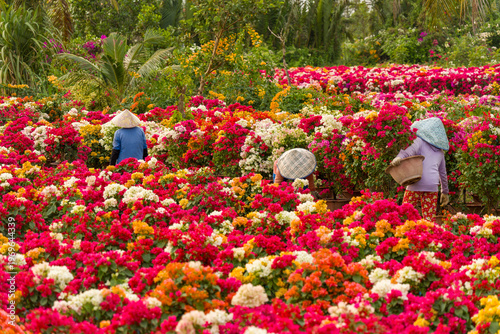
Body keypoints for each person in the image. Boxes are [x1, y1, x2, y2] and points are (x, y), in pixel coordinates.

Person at [390, 117, 450, 221]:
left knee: (405, 214)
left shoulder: (420, 141)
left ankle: (406, 235)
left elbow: (408, 151)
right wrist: (445, 192)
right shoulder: (440, 152)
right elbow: (443, 174)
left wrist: (398, 158)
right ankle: (428, 236)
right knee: (429, 219)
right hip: (432, 186)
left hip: (416, 181)